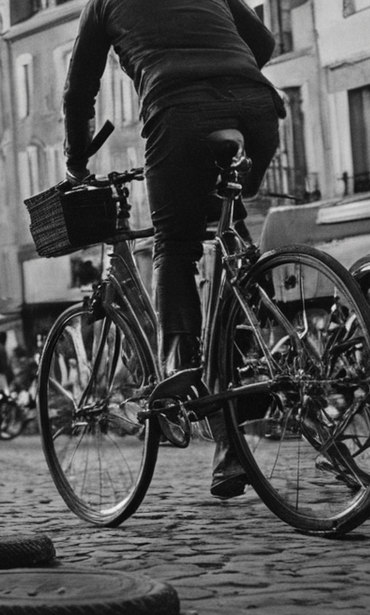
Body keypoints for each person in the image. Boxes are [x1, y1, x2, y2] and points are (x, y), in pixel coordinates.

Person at [63, 0, 284, 499]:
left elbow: (79, 91)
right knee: (227, 220)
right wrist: (228, 76)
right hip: (256, 106)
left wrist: (77, 160)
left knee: (176, 247)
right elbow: (265, 43)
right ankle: (256, 324)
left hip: (178, 113)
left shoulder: (103, 4)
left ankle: (180, 377)